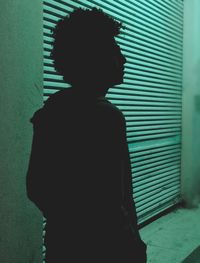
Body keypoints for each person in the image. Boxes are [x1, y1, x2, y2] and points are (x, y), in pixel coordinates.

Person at [26, 7, 147, 262]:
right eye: (115, 51)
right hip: (108, 250)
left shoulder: (50, 113)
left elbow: (36, 187)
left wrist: (67, 223)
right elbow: (116, 202)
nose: (123, 59)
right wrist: (133, 247)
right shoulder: (106, 117)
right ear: (96, 57)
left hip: (63, 246)